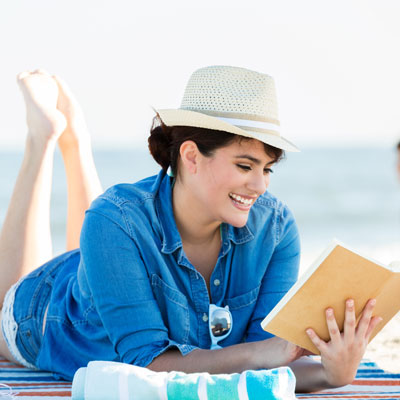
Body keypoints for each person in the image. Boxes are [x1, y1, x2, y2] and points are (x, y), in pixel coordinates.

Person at [0, 66, 381, 392]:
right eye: (246, 167)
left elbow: (269, 364)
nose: (261, 186)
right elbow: (146, 367)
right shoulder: (113, 221)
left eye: (267, 169)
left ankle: (76, 141)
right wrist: (267, 353)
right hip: (50, 310)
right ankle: (43, 140)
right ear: (191, 156)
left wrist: (334, 373)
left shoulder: (275, 230)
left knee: (104, 228)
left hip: (108, 261)